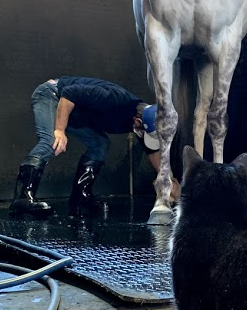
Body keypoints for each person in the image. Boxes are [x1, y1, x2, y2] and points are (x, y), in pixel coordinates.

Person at [9, 77, 176, 217]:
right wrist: (59, 130)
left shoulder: (142, 121)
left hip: (74, 114)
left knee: (99, 144)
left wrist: (170, 182)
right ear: (138, 123)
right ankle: (22, 198)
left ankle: (80, 198)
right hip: (52, 95)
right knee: (50, 140)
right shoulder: (116, 99)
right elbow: (69, 94)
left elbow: (153, 152)